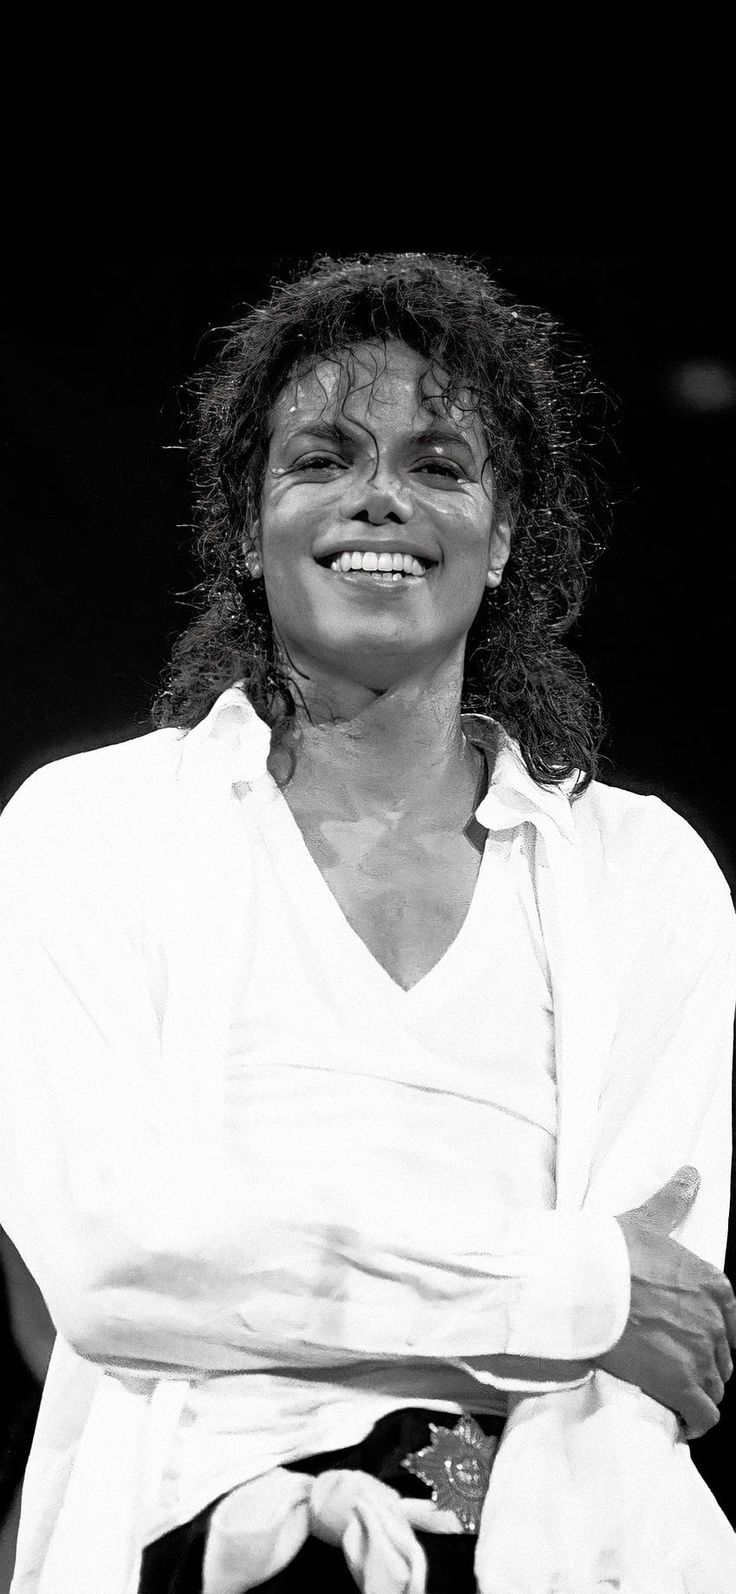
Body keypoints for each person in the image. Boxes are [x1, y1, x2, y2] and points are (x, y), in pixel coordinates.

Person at [1, 252, 735, 1594]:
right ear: (246, 524)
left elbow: (669, 1331)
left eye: (440, 462)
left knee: (448, 1475)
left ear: (505, 536)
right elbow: (116, 1264)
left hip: (505, 1501)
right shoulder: (86, 834)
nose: (379, 494)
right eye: (323, 456)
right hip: (195, 1505)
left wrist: (267, 1271)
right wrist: (568, 1289)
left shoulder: (644, 877)